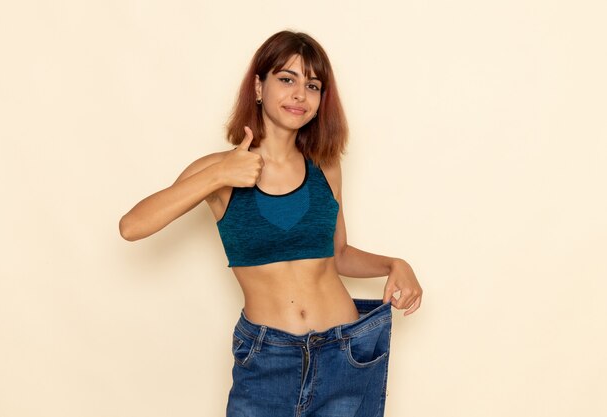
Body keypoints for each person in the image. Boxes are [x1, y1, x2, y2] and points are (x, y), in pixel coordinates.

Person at [119, 30, 422, 417]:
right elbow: (132, 226)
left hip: (345, 352)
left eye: (312, 85)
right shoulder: (218, 171)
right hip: (267, 359)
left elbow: (339, 254)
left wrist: (394, 265)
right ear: (259, 87)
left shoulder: (325, 165)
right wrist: (219, 175)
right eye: (286, 79)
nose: (299, 94)